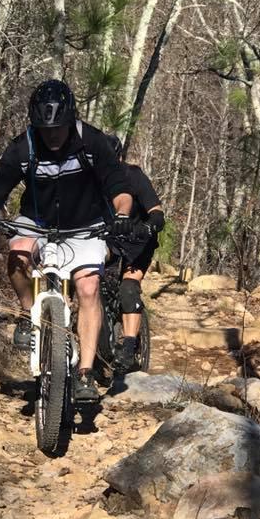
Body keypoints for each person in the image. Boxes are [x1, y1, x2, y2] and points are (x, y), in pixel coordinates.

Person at [0, 80, 134, 402]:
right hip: (38, 221)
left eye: (58, 128)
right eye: (45, 130)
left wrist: (122, 215)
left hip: (86, 226)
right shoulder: (24, 146)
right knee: (18, 255)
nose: (53, 135)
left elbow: (119, 187)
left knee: (88, 288)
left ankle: (85, 373)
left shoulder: (92, 142)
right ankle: (27, 312)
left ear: (70, 120)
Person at [107, 136, 166, 372]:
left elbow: (157, 212)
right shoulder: (90, 180)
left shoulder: (133, 176)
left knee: (128, 289)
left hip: (138, 243)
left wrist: (150, 226)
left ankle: (130, 346)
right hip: (108, 241)